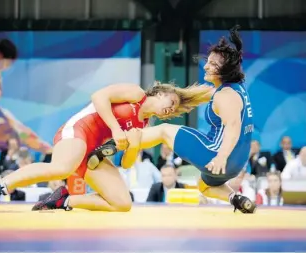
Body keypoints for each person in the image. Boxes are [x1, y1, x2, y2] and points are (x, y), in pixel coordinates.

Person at [87, 26, 257, 213]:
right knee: (204, 185)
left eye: (213, 64)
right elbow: (204, 95)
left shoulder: (224, 96)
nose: (206, 66)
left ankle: (114, 144)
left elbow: (233, 126)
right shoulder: (236, 89)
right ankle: (236, 198)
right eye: (207, 61)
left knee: (164, 130)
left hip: (219, 155)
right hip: (238, 162)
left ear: (225, 70)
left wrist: (221, 157)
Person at [0, 82, 213, 212]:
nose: (170, 109)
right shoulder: (136, 94)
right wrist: (117, 130)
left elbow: (127, 164)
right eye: (170, 102)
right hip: (77, 131)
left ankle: (64, 201)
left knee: (122, 203)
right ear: (159, 92)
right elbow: (99, 97)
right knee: (61, 168)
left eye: (173, 110)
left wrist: (132, 148)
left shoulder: (142, 126)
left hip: (91, 151)